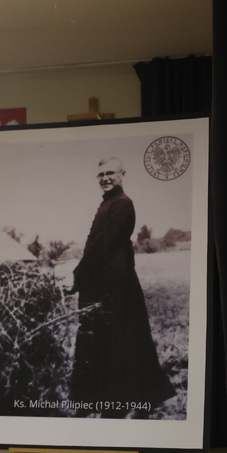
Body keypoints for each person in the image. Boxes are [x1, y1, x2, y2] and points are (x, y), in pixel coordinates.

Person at [68, 157, 175, 418]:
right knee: (103, 339)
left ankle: (124, 398)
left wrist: (79, 273)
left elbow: (104, 246)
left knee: (120, 339)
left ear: (122, 174)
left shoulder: (123, 204)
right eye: (100, 174)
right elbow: (95, 244)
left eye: (110, 173)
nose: (105, 178)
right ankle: (101, 397)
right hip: (101, 280)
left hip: (116, 282)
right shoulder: (108, 203)